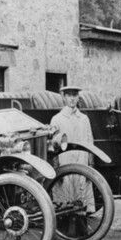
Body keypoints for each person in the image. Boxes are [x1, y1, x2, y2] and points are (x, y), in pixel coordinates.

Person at [49, 85, 95, 215]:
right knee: (64, 193)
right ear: (63, 97)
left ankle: (81, 220)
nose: (72, 99)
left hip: (81, 158)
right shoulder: (57, 119)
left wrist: (91, 164)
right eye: (69, 95)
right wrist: (56, 168)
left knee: (82, 192)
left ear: (78, 97)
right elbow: (53, 146)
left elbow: (90, 141)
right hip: (65, 160)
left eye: (75, 95)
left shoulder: (84, 119)